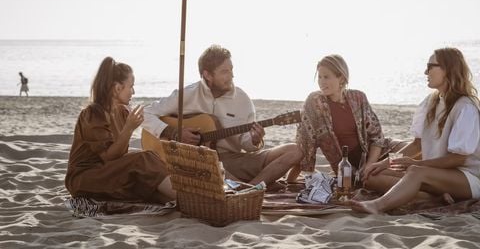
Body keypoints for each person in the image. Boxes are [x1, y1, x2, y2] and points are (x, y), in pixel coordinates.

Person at [142, 44, 303, 187]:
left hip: (233, 160)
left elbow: (245, 145)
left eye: (231, 69)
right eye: (225, 71)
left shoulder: (242, 100)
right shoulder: (187, 95)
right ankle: (241, 186)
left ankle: (251, 188)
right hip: (195, 161)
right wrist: (174, 132)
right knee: (209, 164)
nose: (231, 76)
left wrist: (254, 139)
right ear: (208, 75)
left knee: (295, 150)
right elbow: (145, 113)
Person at [350, 48, 480, 213]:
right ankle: (436, 198)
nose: (426, 71)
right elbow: (417, 144)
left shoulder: (465, 107)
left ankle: (377, 205)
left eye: (430, 66)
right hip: (431, 172)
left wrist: (418, 164)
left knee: (416, 172)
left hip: (467, 178)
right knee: (372, 176)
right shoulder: (431, 102)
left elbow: (459, 159)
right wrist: (385, 163)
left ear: (448, 69)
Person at [65, 57, 175, 203]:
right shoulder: (92, 115)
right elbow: (109, 157)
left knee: (150, 164)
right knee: (144, 159)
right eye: (131, 86)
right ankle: (184, 198)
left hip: (108, 173)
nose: (133, 91)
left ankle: (181, 199)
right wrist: (129, 129)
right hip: (85, 178)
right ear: (117, 88)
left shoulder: (122, 113)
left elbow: (120, 156)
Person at [287, 54, 403, 187]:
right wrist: (293, 178)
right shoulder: (315, 102)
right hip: (350, 168)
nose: (321, 82)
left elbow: (377, 137)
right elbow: (307, 142)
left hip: (378, 155)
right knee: (393, 179)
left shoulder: (358, 97)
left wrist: (371, 164)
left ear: (341, 78)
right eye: (319, 77)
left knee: (412, 150)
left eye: (326, 77)